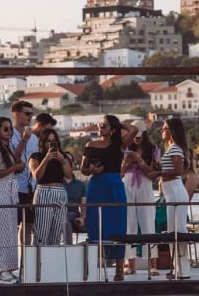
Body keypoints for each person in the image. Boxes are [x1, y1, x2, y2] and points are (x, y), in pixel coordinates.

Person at [81, 114, 129, 280]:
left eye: (105, 125)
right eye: (100, 125)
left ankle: (119, 269)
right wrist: (92, 171)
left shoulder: (119, 145)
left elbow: (135, 129)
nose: (101, 127)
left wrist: (118, 124)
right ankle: (95, 268)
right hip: (97, 185)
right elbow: (83, 169)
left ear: (113, 129)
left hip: (115, 185)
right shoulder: (91, 144)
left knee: (118, 225)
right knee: (95, 224)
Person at [0, 117, 26, 283]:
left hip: (8, 192)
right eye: (6, 129)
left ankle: (7, 267)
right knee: (2, 232)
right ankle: (2, 270)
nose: (9, 132)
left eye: (10, 129)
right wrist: (14, 168)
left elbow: (15, 158)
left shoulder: (6, 148)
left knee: (10, 232)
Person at [121, 120, 159, 276]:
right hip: (128, 184)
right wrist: (126, 162)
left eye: (139, 136)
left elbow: (154, 174)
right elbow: (120, 172)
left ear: (144, 134)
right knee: (129, 225)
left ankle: (153, 265)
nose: (136, 139)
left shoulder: (153, 150)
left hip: (145, 185)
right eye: (134, 136)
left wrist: (141, 162)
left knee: (148, 223)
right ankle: (130, 265)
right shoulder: (125, 150)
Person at [157, 116, 192, 279]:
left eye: (164, 128)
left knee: (179, 231)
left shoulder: (176, 148)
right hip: (171, 193)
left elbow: (178, 172)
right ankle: (176, 268)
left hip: (177, 192)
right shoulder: (170, 148)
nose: (162, 131)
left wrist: (158, 173)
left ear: (172, 131)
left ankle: (183, 270)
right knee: (172, 232)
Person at [29, 128, 75, 245]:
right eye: (48, 142)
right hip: (44, 191)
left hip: (60, 192)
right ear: (42, 143)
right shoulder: (36, 157)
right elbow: (36, 176)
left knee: (57, 233)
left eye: (54, 141)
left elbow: (69, 176)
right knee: (42, 232)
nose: (51, 145)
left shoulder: (63, 156)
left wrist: (63, 161)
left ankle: (52, 260)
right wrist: (46, 159)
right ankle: (39, 260)